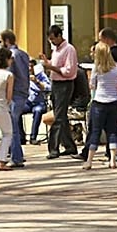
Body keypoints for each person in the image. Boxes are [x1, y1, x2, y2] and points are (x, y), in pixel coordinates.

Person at [40, 23, 79, 159]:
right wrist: (48, 62)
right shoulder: (56, 50)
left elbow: (69, 70)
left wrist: (51, 67)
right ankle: (70, 146)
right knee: (61, 116)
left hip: (65, 85)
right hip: (55, 84)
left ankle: (53, 148)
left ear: (59, 36)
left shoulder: (69, 49)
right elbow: (56, 65)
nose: (52, 42)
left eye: (53, 39)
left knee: (58, 116)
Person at [83, 41, 117, 170]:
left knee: (95, 131)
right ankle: (112, 160)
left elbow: (92, 85)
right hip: (114, 102)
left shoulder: (96, 68)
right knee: (112, 131)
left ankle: (89, 161)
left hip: (99, 101)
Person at [0, 30, 31, 167]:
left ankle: (16, 157)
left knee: (12, 127)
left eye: (0, 41)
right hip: (22, 92)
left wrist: (7, 95)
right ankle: (17, 154)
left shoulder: (11, 56)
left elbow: (9, 77)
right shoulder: (23, 54)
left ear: (6, 41)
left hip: (15, 93)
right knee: (14, 125)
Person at [27, 60, 51, 144]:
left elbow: (49, 87)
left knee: (37, 111)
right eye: (28, 66)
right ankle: (21, 137)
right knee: (16, 110)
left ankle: (33, 137)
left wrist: (37, 82)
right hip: (28, 102)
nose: (29, 68)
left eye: (31, 66)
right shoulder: (22, 76)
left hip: (39, 102)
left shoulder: (40, 75)